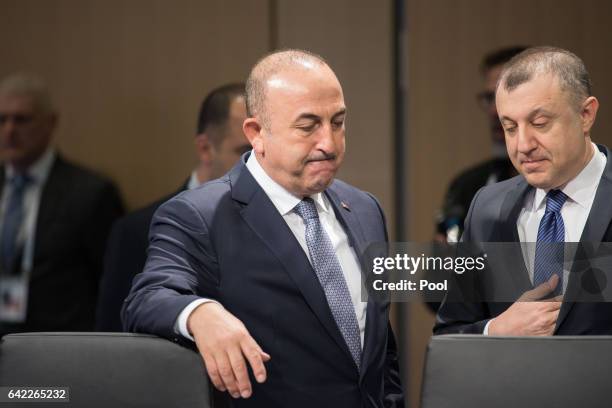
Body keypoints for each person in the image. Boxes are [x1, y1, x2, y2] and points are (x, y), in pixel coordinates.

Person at [123, 49, 403, 407]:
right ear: (256, 133)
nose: (329, 143)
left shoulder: (365, 209)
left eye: (338, 122)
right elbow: (147, 298)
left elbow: (380, 345)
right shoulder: (199, 215)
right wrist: (200, 313)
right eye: (308, 126)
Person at [434, 46, 612, 336]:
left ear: (586, 114)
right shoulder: (485, 208)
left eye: (539, 123)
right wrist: (496, 330)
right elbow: (450, 333)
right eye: (510, 127)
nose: (523, 145)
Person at [96, 83, 250, 331]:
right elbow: (113, 336)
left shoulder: (283, 220)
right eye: (246, 151)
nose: (259, 163)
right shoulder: (135, 232)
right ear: (205, 148)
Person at [0, 74, 123, 336]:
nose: (9, 130)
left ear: (50, 122)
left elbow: (112, 282)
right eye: (2, 120)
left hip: (59, 345)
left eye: (21, 119)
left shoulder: (91, 193)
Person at [436, 46, 526, 243]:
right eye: (489, 98)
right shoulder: (467, 187)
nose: (494, 111)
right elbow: (439, 270)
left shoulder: (568, 185)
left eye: (504, 97)